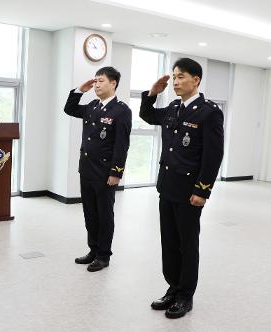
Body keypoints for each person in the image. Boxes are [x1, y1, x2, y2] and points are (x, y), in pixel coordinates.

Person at [140, 58, 224, 319]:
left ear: (196, 80)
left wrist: (202, 190)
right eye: (174, 77)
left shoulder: (209, 111)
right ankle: (173, 287)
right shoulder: (174, 107)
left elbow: (213, 156)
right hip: (167, 186)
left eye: (181, 77)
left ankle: (185, 295)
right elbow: (147, 114)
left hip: (190, 191)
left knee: (187, 243)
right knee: (169, 241)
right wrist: (152, 94)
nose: (175, 81)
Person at [64, 66, 132, 272]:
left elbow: (122, 145)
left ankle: (104, 255)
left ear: (113, 83)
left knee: (104, 215)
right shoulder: (93, 106)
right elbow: (69, 109)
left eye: (101, 80)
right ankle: (93, 250)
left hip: (104, 173)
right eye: (95, 81)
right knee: (90, 213)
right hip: (86, 170)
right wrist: (79, 90)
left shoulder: (121, 110)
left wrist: (116, 172)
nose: (96, 84)